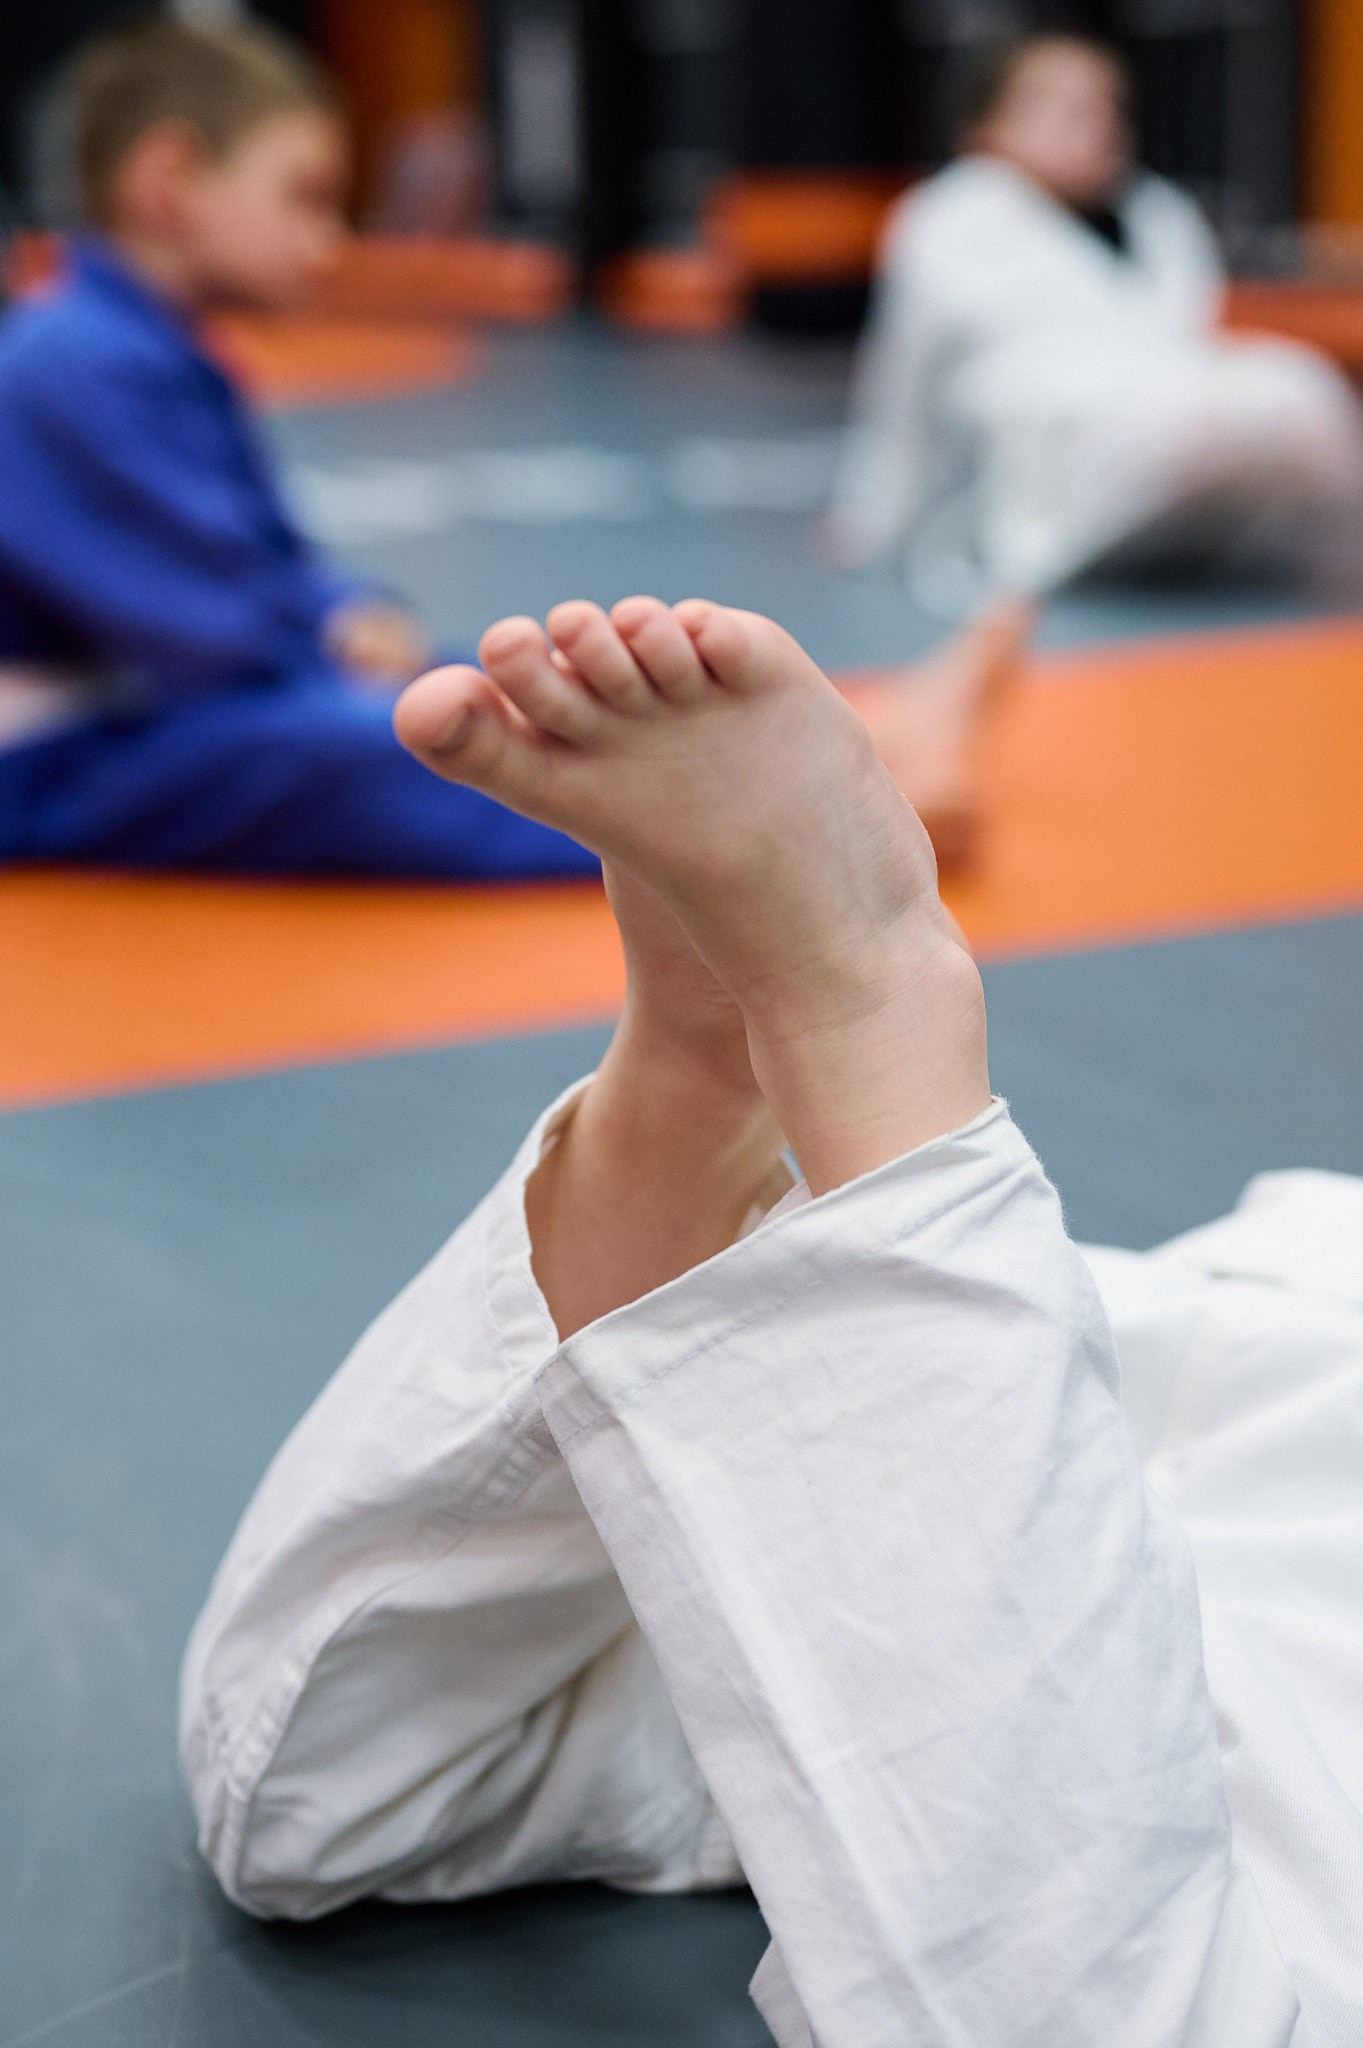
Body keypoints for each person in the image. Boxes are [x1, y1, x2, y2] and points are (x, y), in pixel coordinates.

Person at [182, 594, 1361, 2047]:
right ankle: (705, 1069)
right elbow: (297, 1781)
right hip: (1269, 1350)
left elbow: (324, 1794)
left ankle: (852, 1020)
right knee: (312, 1770)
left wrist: (857, 1003)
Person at [0, 19, 1024, 880]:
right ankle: (793, 830)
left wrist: (345, 610)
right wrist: (332, 639)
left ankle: (853, 738)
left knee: (483, 677)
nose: (327, 240)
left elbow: (250, 559)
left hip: (159, 701)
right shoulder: (67, 360)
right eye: (303, 196)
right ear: (170, 180)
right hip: (56, 760)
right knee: (371, 746)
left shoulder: (141, 348)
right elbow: (211, 633)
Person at [829, 33, 1363, 601]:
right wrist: (875, 515)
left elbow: (1191, 339)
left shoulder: (1160, 213)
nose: (1096, 124)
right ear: (987, 127)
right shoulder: (949, 217)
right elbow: (905, 378)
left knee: (1303, 386)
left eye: (1107, 105)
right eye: (1064, 106)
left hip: (1171, 433)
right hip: (1053, 455)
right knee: (1196, 416)